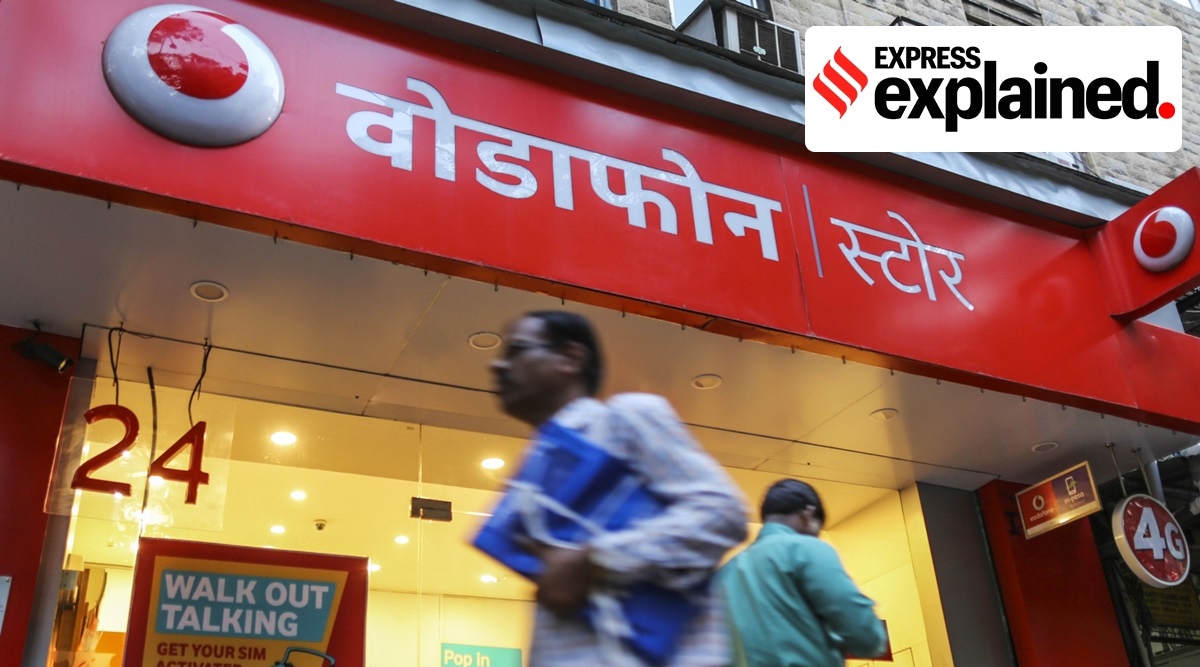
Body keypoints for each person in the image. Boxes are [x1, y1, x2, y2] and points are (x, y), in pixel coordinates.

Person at [489, 309, 749, 666]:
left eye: (516, 350)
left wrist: (593, 560)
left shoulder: (624, 418)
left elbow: (722, 510)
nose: (497, 366)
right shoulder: (530, 476)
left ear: (570, 357)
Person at [715, 479, 887, 667]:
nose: (815, 537)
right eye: (817, 531)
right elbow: (865, 635)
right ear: (808, 514)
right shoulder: (805, 549)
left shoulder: (724, 574)